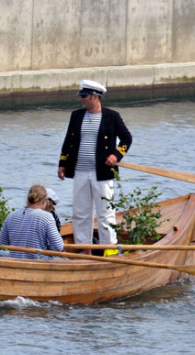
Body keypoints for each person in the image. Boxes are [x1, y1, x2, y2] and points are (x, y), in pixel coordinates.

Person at [57, 79, 132, 254]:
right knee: (80, 213)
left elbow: (127, 138)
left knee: (105, 213)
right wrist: (62, 164)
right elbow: (68, 141)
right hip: (80, 171)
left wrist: (116, 155)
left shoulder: (112, 116)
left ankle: (110, 249)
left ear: (94, 97)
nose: (81, 99)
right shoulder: (76, 115)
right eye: (80, 96)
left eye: (84, 96)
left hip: (102, 173)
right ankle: (85, 248)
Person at [0, 184, 64, 259]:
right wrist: (47, 247)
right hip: (37, 264)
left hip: (14, 261)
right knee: (64, 259)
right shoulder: (47, 217)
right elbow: (59, 247)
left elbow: (2, 244)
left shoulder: (11, 216)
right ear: (44, 201)